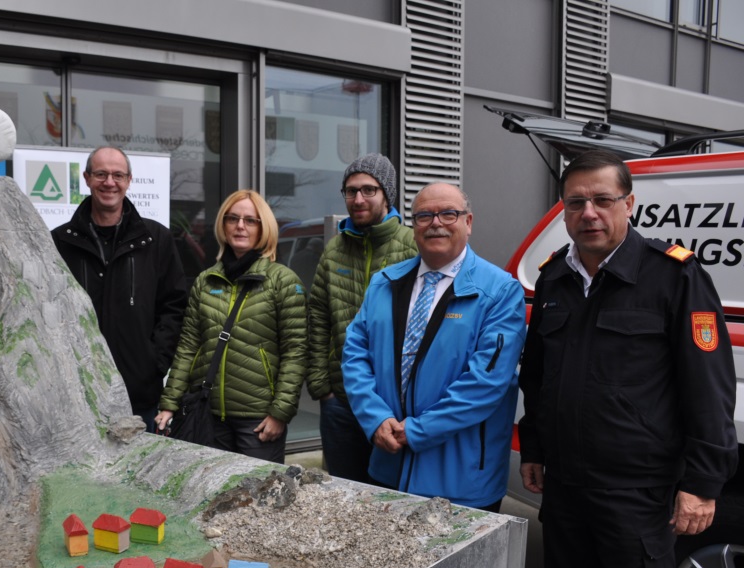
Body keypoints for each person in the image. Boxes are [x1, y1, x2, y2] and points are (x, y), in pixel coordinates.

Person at [517, 150, 737, 568]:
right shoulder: (555, 279)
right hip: (566, 492)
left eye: (602, 200)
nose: (589, 212)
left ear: (629, 204)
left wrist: (703, 483)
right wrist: (536, 448)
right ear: (565, 211)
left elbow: (709, 386)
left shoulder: (673, 277)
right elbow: (539, 377)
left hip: (635, 496)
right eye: (576, 202)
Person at [341, 183, 525, 511]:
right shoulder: (384, 283)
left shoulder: (500, 291)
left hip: (460, 477)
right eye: (424, 216)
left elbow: (486, 383)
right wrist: (375, 418)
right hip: (389, 466)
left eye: (448, 213)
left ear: (469, 222)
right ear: (414, 228)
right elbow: (355, 355)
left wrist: (417, 431)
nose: (435, 222)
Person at [156, 190, 307, 463]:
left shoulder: (283, 281)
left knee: (256, 500)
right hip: (207, 416)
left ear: (264, 228)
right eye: (233, 218)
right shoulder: (206, 280)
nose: (240, 226)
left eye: (251, 220)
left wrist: (280, 414)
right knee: (208, 495)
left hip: (259, 422)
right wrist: (169, 404)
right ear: (223, 225)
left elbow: (296, 352)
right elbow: (188, 346)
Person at [52, 146, 187, 431]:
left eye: (117, 175)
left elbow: (173, 307)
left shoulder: (156, 239)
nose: (109, 182)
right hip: (78, 391)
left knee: (140, 473)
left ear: (129, 180)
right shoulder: (59, 242)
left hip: (139, 392)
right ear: (87, 178)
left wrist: (154, 363)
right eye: (101, 174)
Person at [307, 153, 417, 483]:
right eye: (351, 191)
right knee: (342, 493)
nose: (358, 199)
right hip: (339, 401)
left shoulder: (413, 246)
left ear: (387, 194)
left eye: (369, 190)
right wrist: (320, 384)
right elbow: (318, 315)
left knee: (391, 499)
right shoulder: (335, 248)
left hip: (393, 405)